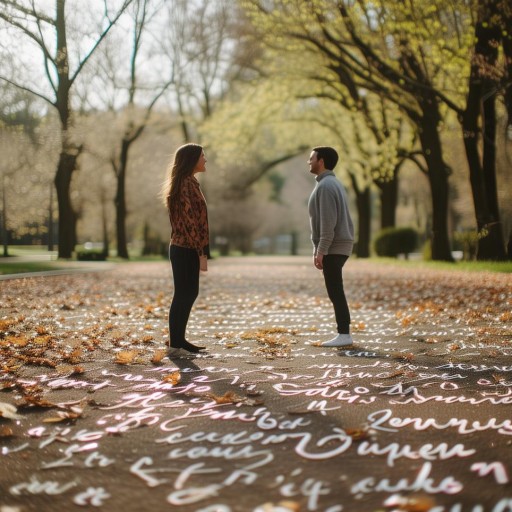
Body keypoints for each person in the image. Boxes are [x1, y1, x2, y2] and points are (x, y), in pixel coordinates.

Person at [161, 143, 210, 354]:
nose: (205, 159)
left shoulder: (189, 182)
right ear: (192, 160)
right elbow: (190, 222)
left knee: (188, 293)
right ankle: (175, 343)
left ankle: (178, 340)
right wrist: (201, 253)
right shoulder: (185, 185)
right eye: (202, 156)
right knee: (184, 293)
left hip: (186, 247)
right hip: (185, 248)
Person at [307, 146, 355, 347]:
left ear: (322, 160)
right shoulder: (331, 183)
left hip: (334, 247)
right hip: (337, 246)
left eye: (311, 158)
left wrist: (321, 250)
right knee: (335, 290)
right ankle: (343, 333)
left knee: (335, 291)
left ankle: (344, 334)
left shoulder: (326, 186)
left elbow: (328, 223)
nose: (308, 162)